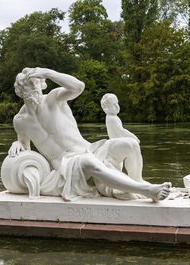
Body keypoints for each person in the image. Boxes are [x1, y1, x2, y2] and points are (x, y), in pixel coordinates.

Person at [9, 67, 171, 201]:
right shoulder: (20, 121)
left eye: (36, 82)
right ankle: (146, 191)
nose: (34, 88)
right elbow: (25, 147)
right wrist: (18, 144)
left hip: (91, 149)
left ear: (42, 84)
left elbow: (78, 87)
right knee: (87, 162)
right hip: (66, 164)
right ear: (20, 90)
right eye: (28, 85)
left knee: (130, 144)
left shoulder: (54, 99)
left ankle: (137, 180)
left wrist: (49, 73)